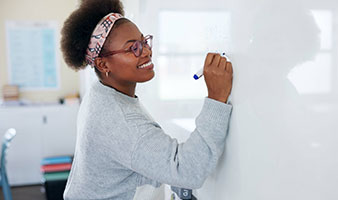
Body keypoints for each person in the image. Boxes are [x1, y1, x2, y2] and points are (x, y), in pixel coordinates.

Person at [60, 0, 233, 199]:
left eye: (144, 42)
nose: (146, 51)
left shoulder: (100, 93)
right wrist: (217, 98)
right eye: (133, 48)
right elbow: (187, 171)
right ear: (102, 64)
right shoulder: (119, 121)